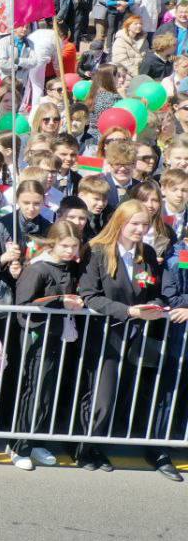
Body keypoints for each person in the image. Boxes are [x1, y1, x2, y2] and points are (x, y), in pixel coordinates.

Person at [76, 199, 168, 473]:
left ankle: (99, 445)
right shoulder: (97, 251)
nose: (140, 229)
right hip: (105, 334)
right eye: (134, 224)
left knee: (120, 393)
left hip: (136, 334)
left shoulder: (147, 253)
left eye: (144, 224)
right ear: (120, 222)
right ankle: (85, 448)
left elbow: (155, 291)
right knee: (100, 396)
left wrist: (157, 307)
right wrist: (128, 311)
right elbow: (89, 295)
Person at [9, 220, 85, 471]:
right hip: (38, 337)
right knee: (35, 390)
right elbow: (24, 307)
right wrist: (60, 302)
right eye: (65, 245)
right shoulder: (38, 268)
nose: (70, 251)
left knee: (49, 392)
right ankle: (19, 446)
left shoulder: (70, 266)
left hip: (59, 337)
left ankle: (37, 438)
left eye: (74, 246)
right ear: (53, 243)